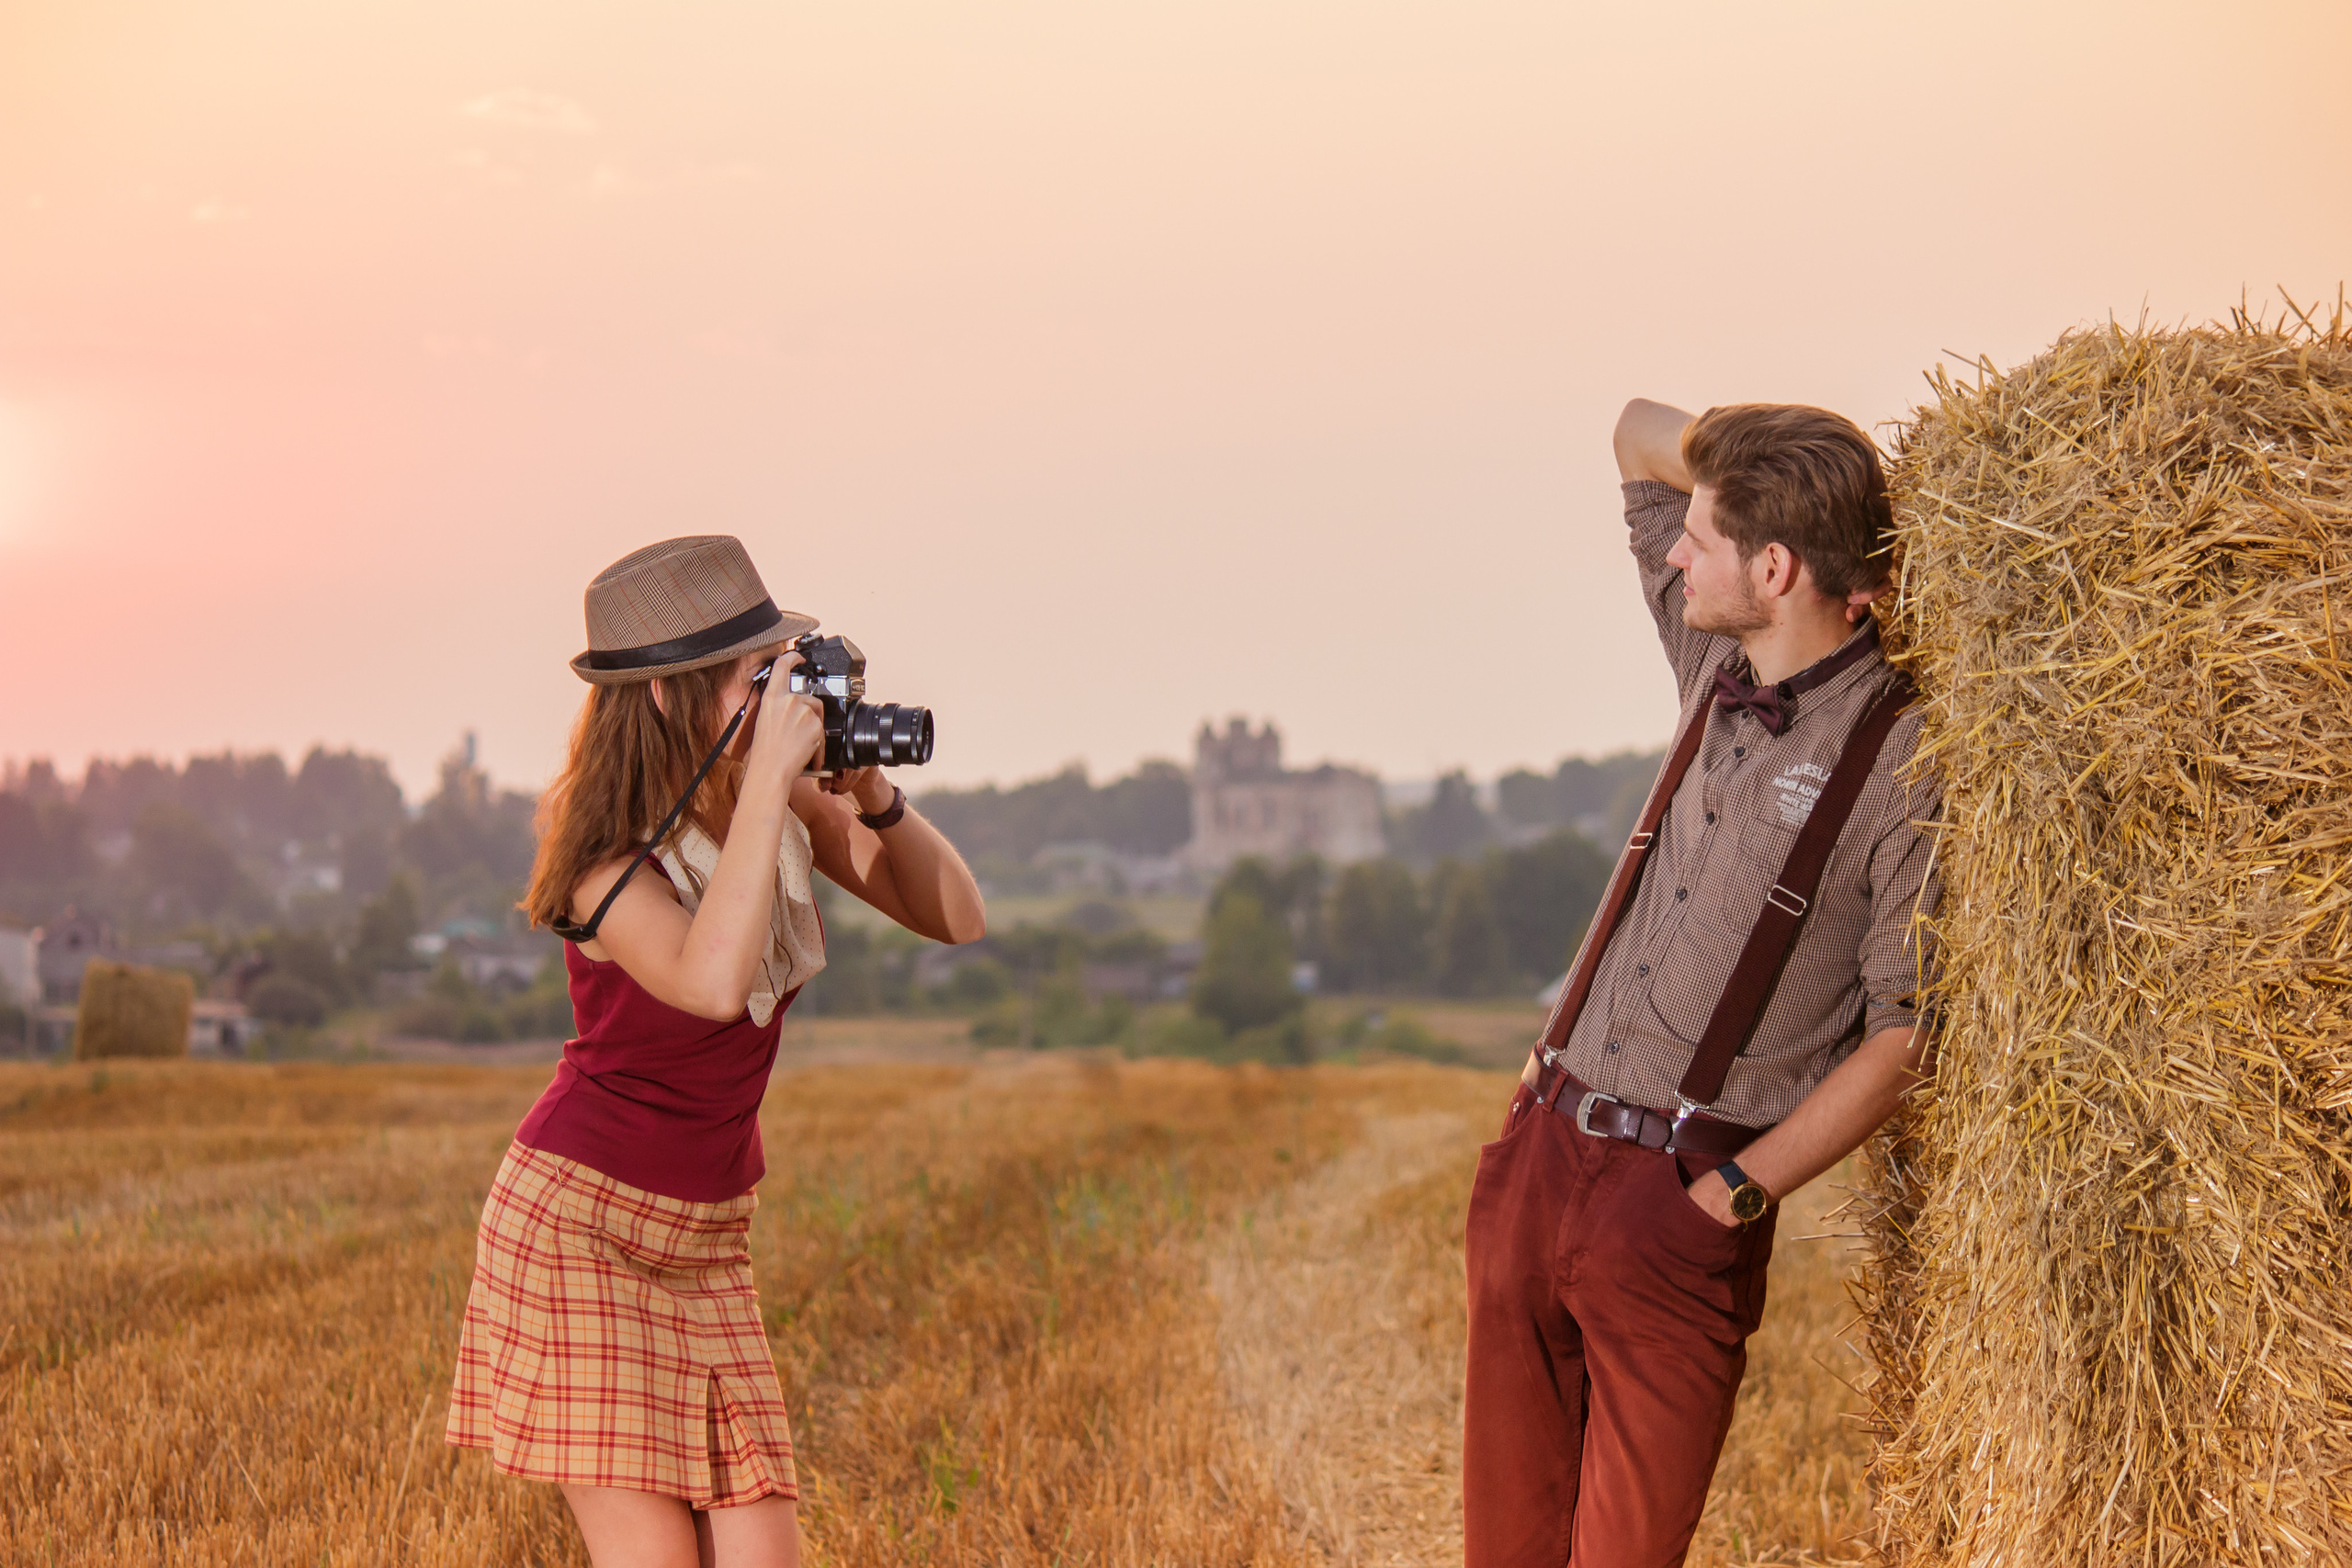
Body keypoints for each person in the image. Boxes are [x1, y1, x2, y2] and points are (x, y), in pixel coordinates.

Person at [1461, 401, 1941, 1567]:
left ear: (1773, 569)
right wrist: (1784, 473)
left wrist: (1730, 1195)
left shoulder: (1904, 759)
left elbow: (1904, 1035)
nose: (1675, 550)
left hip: (1678, 1203)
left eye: (1707, 534)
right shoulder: (1709, 656)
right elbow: (1634, 430)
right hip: (1540, 1156)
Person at [445, 535, 986, 1568]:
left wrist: (868, 795)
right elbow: (707, 982)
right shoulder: (597, 850)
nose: (780, 698)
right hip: (581, 1233)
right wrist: (776, 778)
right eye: (757, 677)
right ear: (665, 697)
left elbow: (956, 917)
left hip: (706, 1246)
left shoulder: (770, 800)